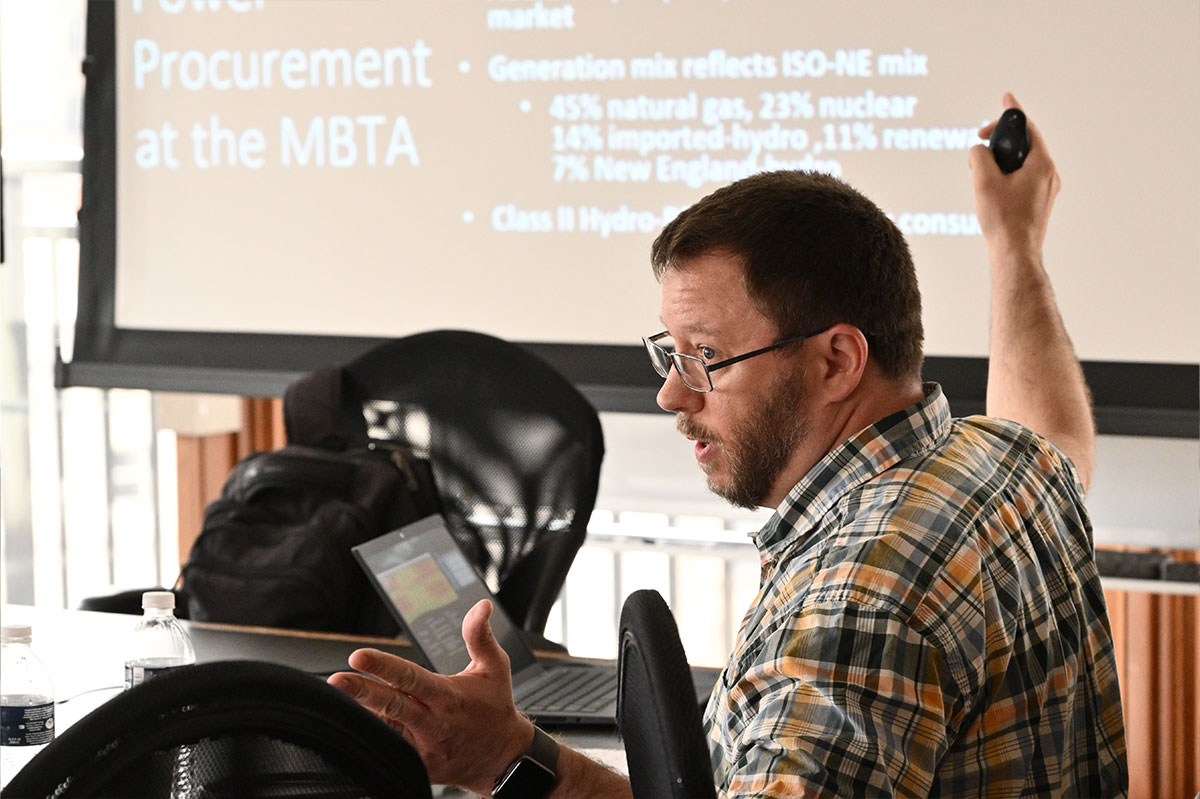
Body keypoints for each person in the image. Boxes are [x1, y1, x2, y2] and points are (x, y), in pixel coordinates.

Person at [328, 94, 1128, 797]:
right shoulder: (1011, 468)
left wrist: (504, 762)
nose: (673, 393)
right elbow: (1056, 430)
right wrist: (1014, 241)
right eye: (669, 354)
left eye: (705, 357)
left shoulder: (853, 602)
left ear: (837, 361)